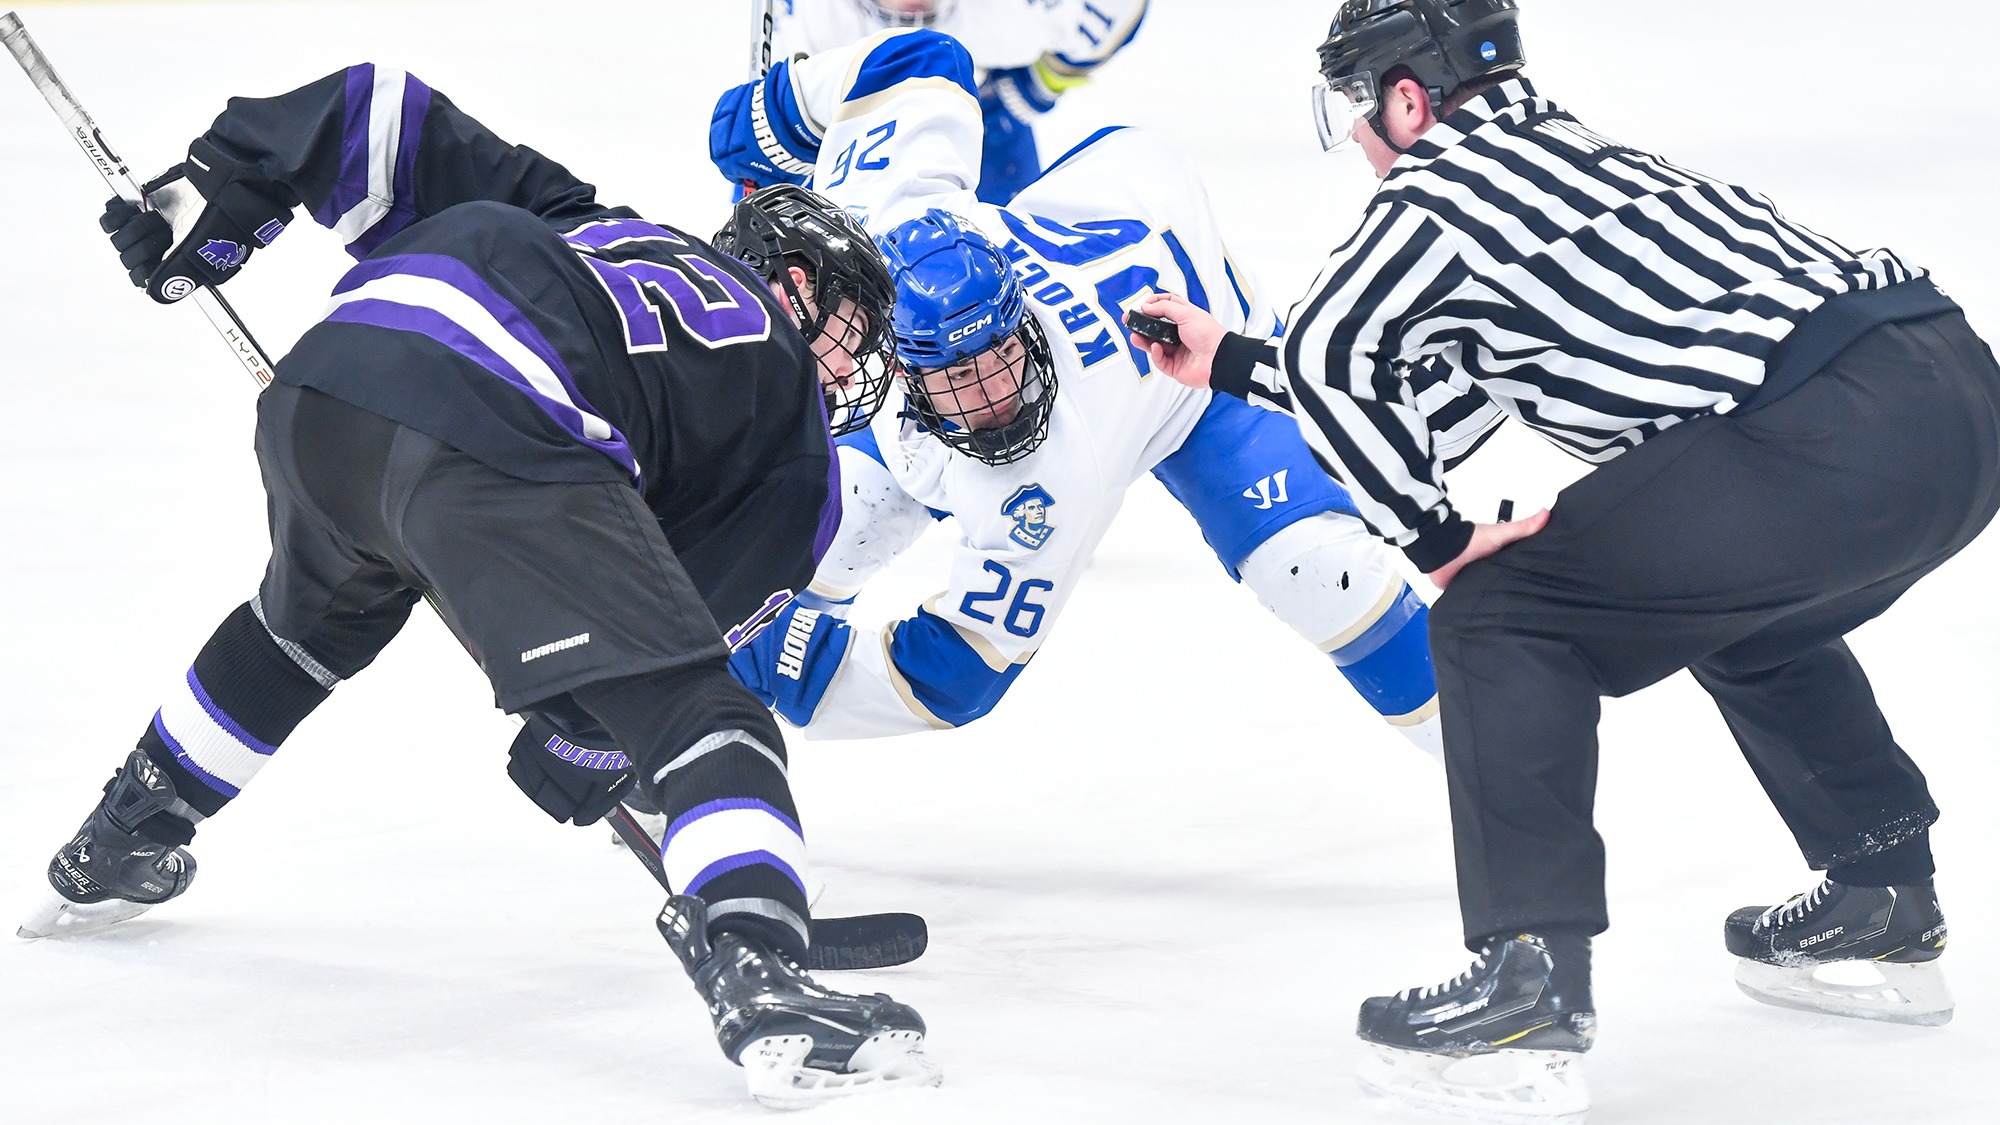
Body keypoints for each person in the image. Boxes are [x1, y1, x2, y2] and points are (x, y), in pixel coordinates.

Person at [1137, 0, 2000, 1117]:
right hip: (1952, 396)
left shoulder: (1432, 195)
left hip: (1820, 438)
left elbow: (1334, 354)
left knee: (1497, 617)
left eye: (1355, 106)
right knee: (1741, 614)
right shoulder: (1580, 159)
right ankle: (1882, 892)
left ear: (1408, 99)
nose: (1354, 139)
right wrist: (1229, 363)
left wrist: (1437, 540)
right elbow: (1416, 379)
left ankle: (1528, 978)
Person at [17, 63, 939, 1107]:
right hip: (500, 426)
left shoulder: (586, 223)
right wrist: (587, 740)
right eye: (853, 334)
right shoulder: (788, 424)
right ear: (798, 285)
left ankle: (123, 837)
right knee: (705, 714)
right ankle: (759, 966)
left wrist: (213, 196)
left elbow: (373, 111)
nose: (848, 371)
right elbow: (665, 654)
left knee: (302, 631)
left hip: (327, 386)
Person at [705, 28, 1488, 758]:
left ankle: (1504, 750)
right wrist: (765, 119)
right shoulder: (888, 210)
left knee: (1318, 574)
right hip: (1104, 200)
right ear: (897, 360)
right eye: (959, 377)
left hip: (1194, 362)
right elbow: (914, 61)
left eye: (1004, 357)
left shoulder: (1048, 478)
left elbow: (959, 674)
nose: (1000, 401)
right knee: (790, 552)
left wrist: (797, 674)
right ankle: (700, 733)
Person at [731, 0, 1150, 204]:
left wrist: (1034, 85)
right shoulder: (807, 19)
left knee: (1011, 289)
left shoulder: (1024, 11)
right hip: (838, 115)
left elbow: (1116, 15)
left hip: (983, 115)